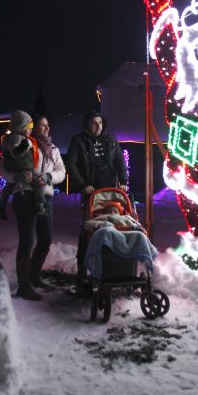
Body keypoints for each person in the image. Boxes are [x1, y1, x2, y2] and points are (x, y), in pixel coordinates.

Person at [0, 110, 66, 300]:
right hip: (25, 195)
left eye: (48, 126)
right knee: (27, 241)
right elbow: (2, 168)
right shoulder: (22, 142)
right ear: (33, 127)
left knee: (45, 240)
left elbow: (62, 172)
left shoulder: (53, 149)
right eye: (42, 125)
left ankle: (34, 276)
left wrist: (48, 177)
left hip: (46, 197)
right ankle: (24, 285)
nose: (46, 128)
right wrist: (17, 176)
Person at [65, 110, 128, 291]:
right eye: (94, 123)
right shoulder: (78, 141)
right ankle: (82, 273)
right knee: (89, 230)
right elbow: (71, 164)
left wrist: (123, 181)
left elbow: (119, 161)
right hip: (91, 192)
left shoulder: (110, 140)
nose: (98, 126)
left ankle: (112, 268)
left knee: (114, 226)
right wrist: (83, 184)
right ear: (87, 124)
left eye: (100, 122)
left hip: (111, 193)